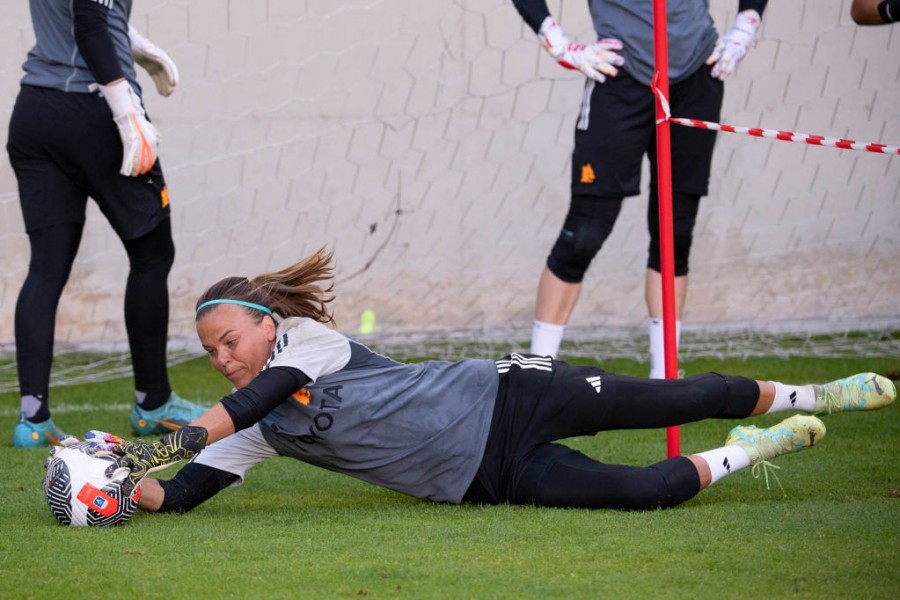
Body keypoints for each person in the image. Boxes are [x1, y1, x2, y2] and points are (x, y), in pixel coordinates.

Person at [65, 248, 894, 515]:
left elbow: (247, 401)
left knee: (684, 394)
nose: (222, 356)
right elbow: (184, 494)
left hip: (506, 392)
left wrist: (152, 448)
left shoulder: (305, 343)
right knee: (645, 495)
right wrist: (114, 485)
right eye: (209, 351)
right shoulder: (259, 428)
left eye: (228, 338)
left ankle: (811, 396)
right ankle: (758, 446)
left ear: (265, 325)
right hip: (486, 476)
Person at [511, 1, 767, 377]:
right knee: (583, 233)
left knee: (675, 232)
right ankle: (537, 375)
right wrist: (557, 42)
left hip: (697, 74)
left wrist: (746, 25)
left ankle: (664, 379)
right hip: (620, 75)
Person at [8, 0, 206, 448]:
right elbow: (91, 23)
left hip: (35, 113)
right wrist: (126, 111)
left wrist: (135, 43)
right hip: (94, 111)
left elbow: (84, 12)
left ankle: (33, 419)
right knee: (153, 253)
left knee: (46, 267)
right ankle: (153, 402)